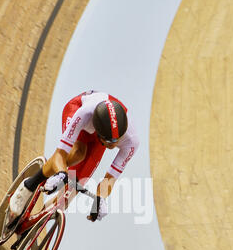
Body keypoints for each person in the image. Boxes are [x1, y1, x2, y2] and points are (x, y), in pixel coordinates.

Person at [10, 90, 139, 222]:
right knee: (78, 153)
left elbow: (110, 179)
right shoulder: (85, 113)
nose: (115, 144)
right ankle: (29, 185)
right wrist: (61, 172)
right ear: (101, 135)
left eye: (118, 140)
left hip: (99, 136)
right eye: (110, 142)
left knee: (75, 187)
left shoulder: (131, 141)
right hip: (77, 109)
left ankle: (36, 221)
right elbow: (60, 154)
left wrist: (100, 199)